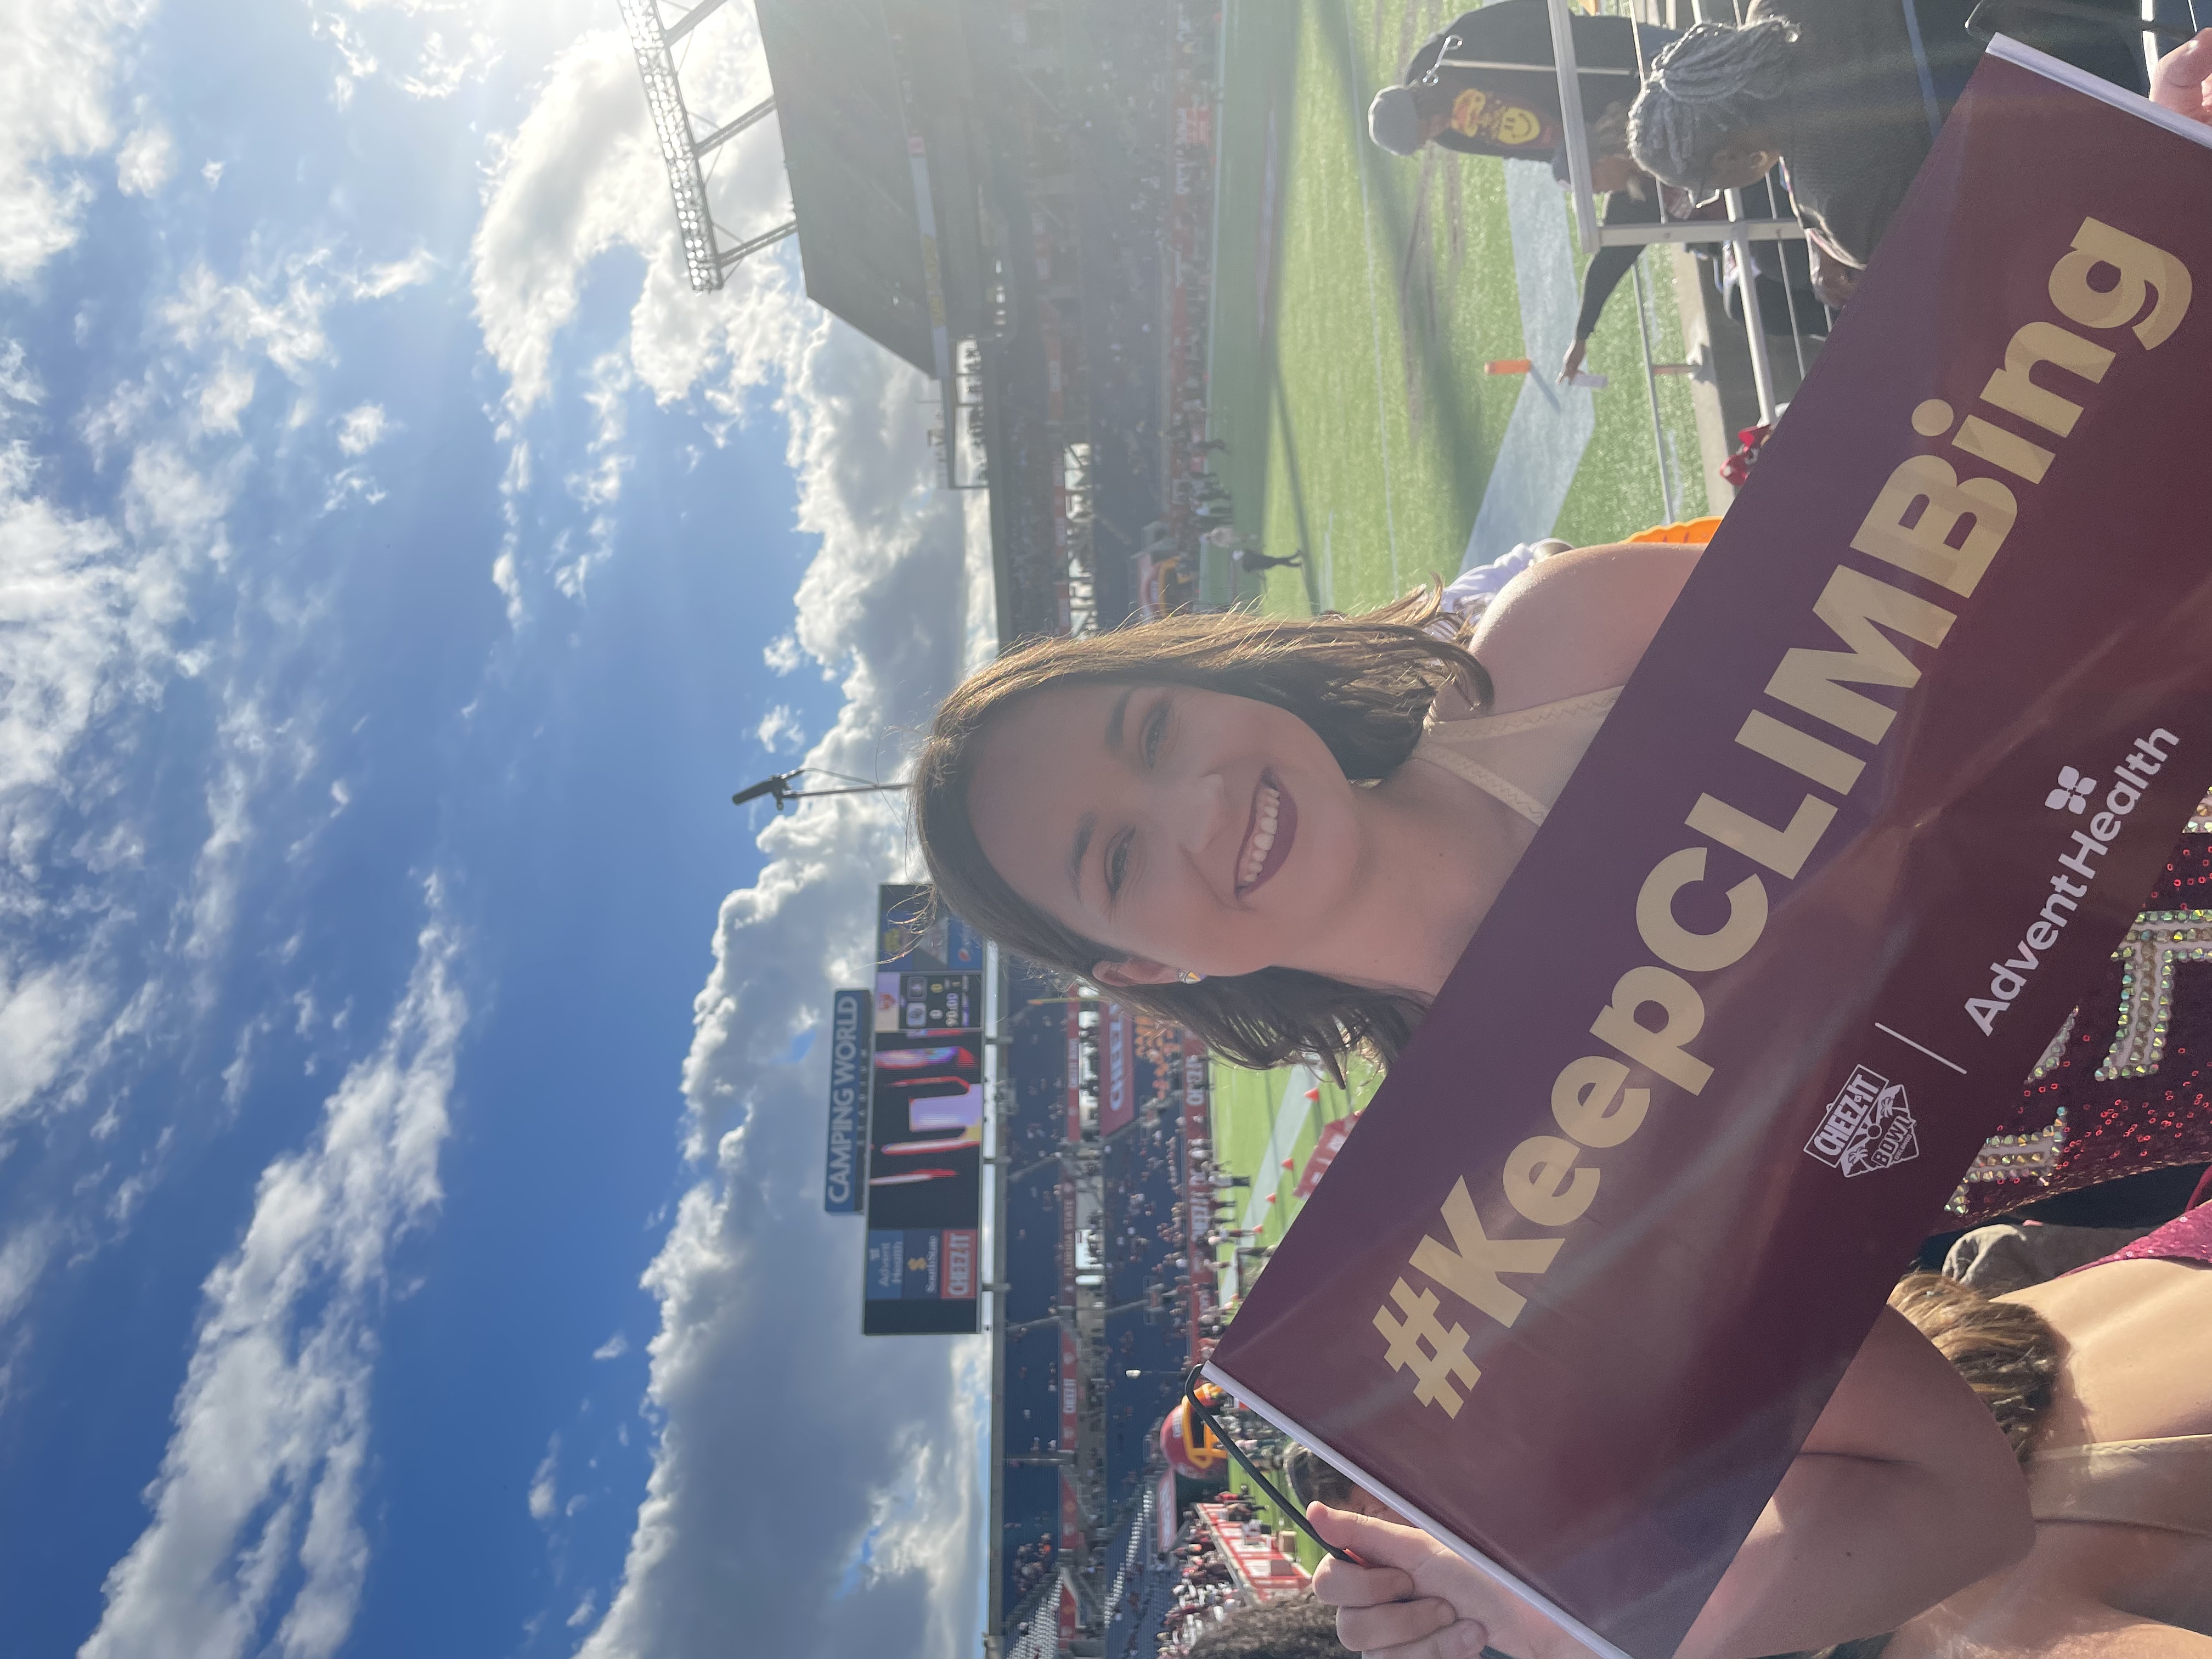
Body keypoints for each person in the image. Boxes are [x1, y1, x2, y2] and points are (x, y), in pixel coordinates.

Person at [1626, 0, 2147, 294]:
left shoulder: (1838, 207)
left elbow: (1981, 261)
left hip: (2126, 107)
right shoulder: (1779, 7)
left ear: (1726, 157)